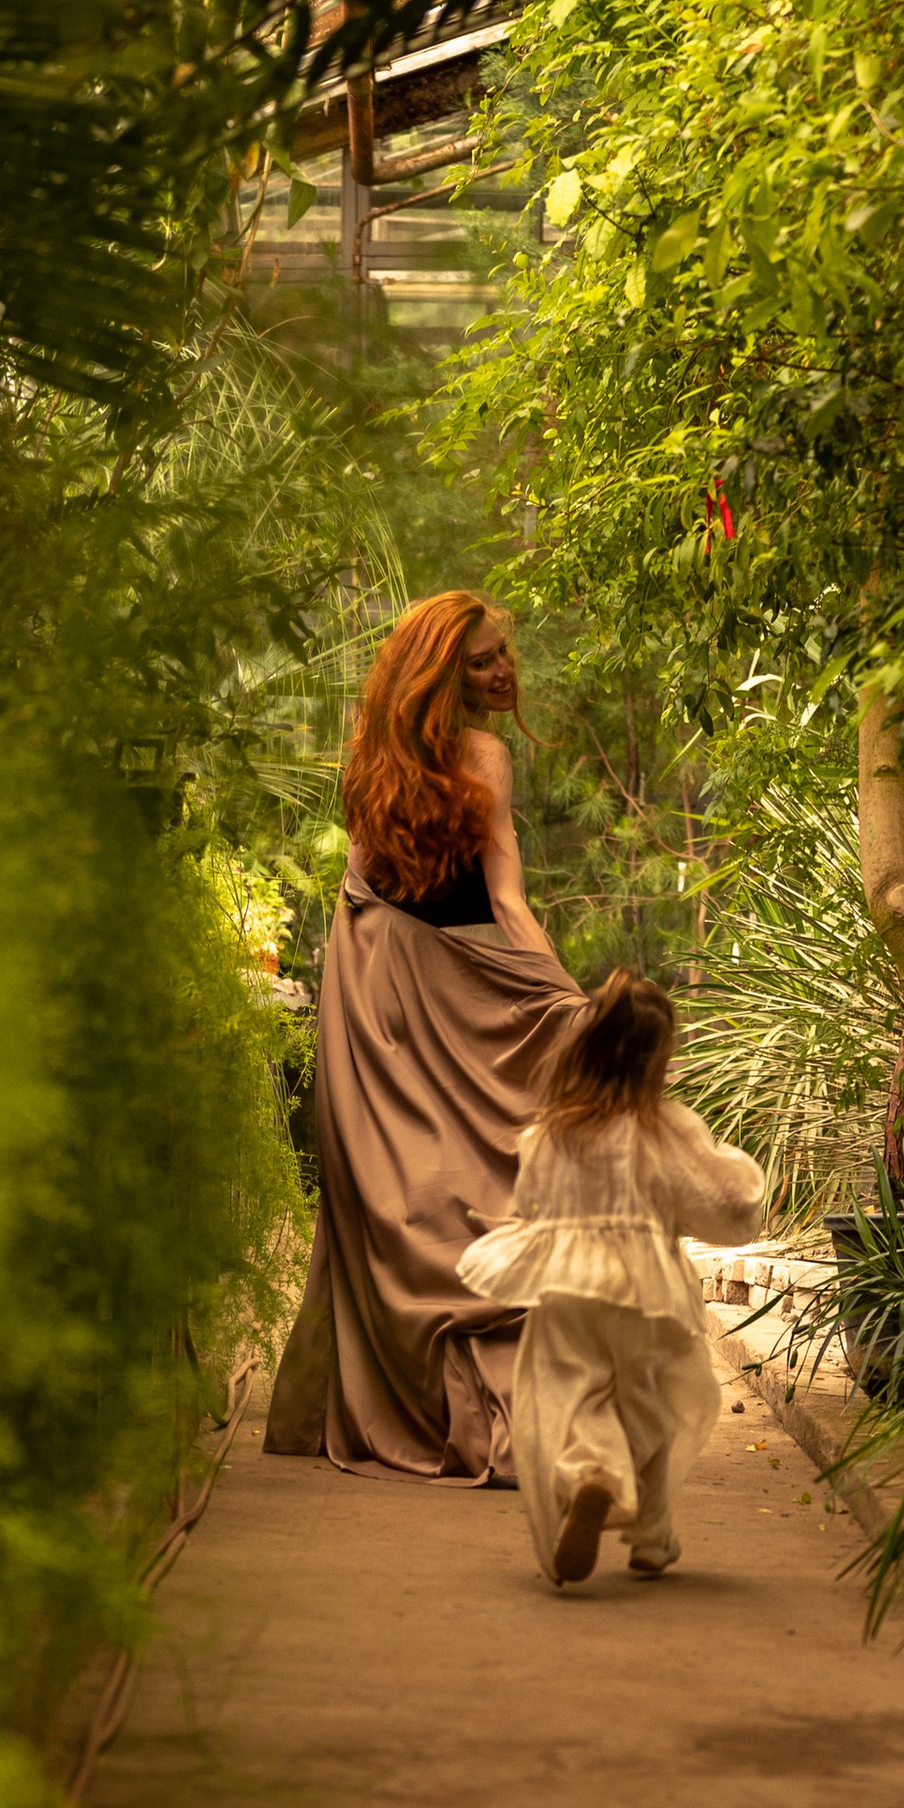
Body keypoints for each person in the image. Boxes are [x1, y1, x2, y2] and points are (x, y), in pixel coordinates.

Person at [264, 590, 580, 1481]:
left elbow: (369, 899)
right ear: (442, 674)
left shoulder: (370, 758)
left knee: (406, 1207)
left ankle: (451, 1409)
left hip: (375, 993)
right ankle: (493, 1416)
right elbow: (504, 901)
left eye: (502, 654)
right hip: (418, 998)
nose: (504, 671)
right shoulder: (478, 754)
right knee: (474, 1197)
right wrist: (562, 993)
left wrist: (561, 995)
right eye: (482, 660)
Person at [457, 970, 767, 1588]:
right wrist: (739, 1180)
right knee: (659, 1403)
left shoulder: (551, 1132)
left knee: (578, 1395)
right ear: (657, 1060)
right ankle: (652, 1536)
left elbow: (535, 1208)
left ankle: (590, 1474)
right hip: (649, 1293)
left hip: (569, 1285)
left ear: (588, 1046)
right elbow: (723, 1200)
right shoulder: (664, 1128)